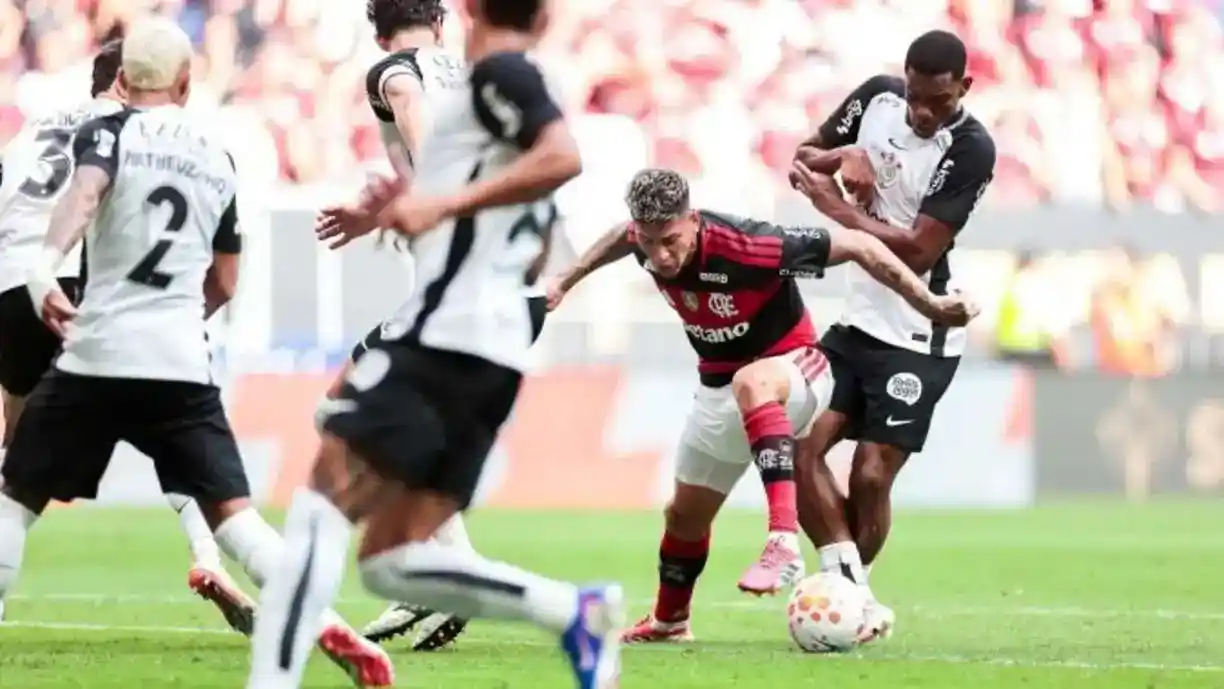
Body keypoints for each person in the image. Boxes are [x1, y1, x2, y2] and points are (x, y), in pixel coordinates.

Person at [0, 18, 394, 686]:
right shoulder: (218, 156)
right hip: (178, 358)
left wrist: (43, 268)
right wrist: (181, 315)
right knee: (237, 519)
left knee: (15, 497)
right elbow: (228, 282)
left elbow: (85, 193)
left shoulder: (105, 132)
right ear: (186, 83)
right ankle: (326, 621)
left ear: (124, 81)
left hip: (95, 348)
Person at [243, 1, 620, 688]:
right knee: (390, 561)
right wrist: (404, 204)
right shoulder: (502, 91)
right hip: (498, 335)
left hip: (448, 329)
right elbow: (535, 234)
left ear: (468, 11)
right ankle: (572, 610)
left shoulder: (490, 73)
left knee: (320, 503)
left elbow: (564, 158)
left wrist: (434, 201)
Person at [546, 167, 978, 643]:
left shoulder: (750, 245)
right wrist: (565, 279)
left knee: (753, 382)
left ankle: (782, 540)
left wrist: (931, 305)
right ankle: (671, 621)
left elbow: (858, 244)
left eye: (670, 240)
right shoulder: (642, 238)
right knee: (684, 517)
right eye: (649, 242)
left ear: (693, 220)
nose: (660, 255)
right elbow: (620, 237)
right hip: (718, 387)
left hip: (796, 368)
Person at [0, 37, 241, 626]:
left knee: (18, 450)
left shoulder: (30, 130)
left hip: (9, 285)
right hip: (80, 284)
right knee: (173, 423)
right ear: (129, 80)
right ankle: (209, 553)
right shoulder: (130, 133)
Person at [789, 29, 997, 642]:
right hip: (857, 322)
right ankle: (849, 593)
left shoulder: (972, 148)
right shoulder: (876, 100)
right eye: (914, 96)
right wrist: (843, 156)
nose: (922, 111)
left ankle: (847, 592)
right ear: (902, 80)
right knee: (802, 445)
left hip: (920, 332)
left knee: (872, 475)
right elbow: (803, 156)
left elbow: (918, 249)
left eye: (938, 100)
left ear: (964, 88)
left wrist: (837, 212)